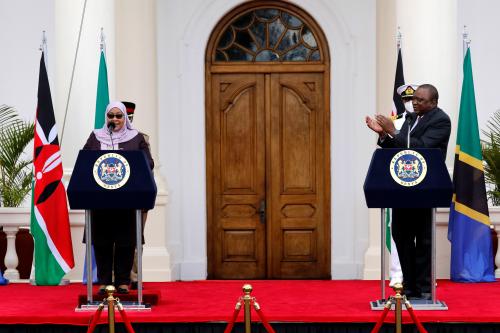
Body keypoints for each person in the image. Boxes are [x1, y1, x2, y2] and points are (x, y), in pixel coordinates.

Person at [365, 84, 451, 300]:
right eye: (414, 99)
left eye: (421, 100)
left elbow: (422, 148)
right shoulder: (412, 119)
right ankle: (409, 286)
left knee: (422, 240)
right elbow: (400, 149)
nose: (415, 102)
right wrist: (384, 135)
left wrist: (393, 130)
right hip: (402, 188)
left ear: (433, 102)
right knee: (401, 236)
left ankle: (424, 288)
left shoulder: (441, 120)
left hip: (425, 188)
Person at [83, 101, 154, 294]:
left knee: (126, 241)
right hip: (100, 198)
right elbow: (84, 160)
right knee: (102, 240)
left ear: (125, 118)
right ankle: (105, 281)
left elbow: (148, 162)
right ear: (106, 118)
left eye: (118, 116)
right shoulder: (96, 136)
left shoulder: (136, 137)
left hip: (127, 198)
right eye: (111, 116)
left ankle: (123, 282)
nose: (114, 119)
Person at [387, 84, 419, 288]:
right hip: (397, 183)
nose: (409, 103)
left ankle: (419, 277)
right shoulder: (397, 122)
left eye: (413, 99)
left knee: (418, 234)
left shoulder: (422, 122)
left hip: (418, 182)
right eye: (406, 100)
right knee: (398, 232)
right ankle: (397, 274)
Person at [122, 101, 149, 290]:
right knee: (115, 239)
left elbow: (148, 167)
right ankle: (116, 276)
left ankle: (135, 275)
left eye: (130, 117)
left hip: (137, 195)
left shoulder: (140, 138)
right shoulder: (104, 138)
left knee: (136, 237)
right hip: (112, 198)